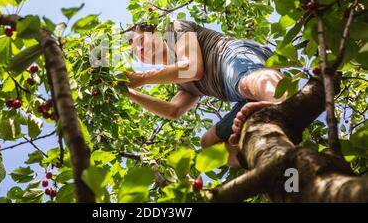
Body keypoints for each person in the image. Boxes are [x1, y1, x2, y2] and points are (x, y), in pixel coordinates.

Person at [122, 20, 286, 167]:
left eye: (141, 41)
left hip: (232, 57)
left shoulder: (174, 29)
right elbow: (172, 110)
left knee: (245, 82)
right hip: (244, 95)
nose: (141, 49)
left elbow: (192, 68)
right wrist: (128, 91)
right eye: (136, 52)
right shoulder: (182, 84)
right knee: (209, 144)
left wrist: (142, 78)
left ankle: (283, 103)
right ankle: (263, 161)